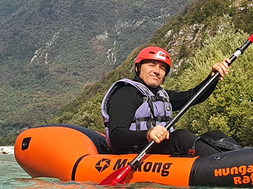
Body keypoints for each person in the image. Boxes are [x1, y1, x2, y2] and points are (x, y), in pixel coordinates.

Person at [101, 46, 241, 157]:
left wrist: (213, 77)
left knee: (215, 135)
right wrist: (148, 134)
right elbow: (116, 135)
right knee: (180, 137)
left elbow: (193, 97)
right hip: (135, 152)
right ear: (138, 68)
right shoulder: (126, 92)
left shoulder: (162, 95)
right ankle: (231, 166)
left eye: (162, 68)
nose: (157, 71)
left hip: (158, 150)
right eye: (151, 65)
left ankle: (242, 158)